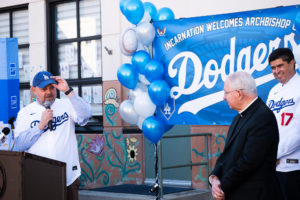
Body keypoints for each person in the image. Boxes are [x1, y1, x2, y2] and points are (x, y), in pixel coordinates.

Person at [13, 71, 92, 200]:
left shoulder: (66, 104)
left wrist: (68, 91)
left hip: (68, 178)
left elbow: (86, 114)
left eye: (51, 88)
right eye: (44, 89)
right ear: (33, 90)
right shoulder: (25, 113)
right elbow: (19, 144)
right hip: (39, 179)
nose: (49, 92)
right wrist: (40, 126)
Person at [209, 71, 282, 200]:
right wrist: (214, 178)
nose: (223, 97)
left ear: (238, 93)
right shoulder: (239, 117)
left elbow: (248, 162)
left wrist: (222, 187)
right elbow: (227, 154)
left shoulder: (263, 117)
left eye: (226, 92)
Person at [266, 48, 300, 200]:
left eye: (280, 66)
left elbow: (297, 133)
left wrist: (274, 153)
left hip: (294, 166)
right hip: (273, 165)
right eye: (273, 68)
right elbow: (266, 125)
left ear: (292, 63)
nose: (276, 71)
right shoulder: (273, 91)